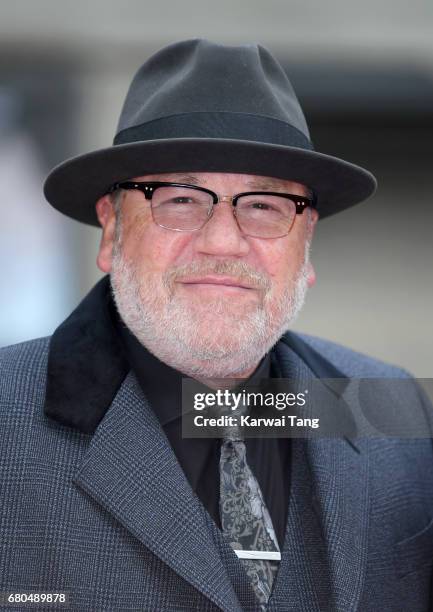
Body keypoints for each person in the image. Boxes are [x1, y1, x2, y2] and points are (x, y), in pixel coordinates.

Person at [1, 39, 432, 612]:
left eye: (265, 205)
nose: (224, 241)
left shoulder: (393, 411)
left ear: (307, 245)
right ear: (111, 230)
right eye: (179, 199)